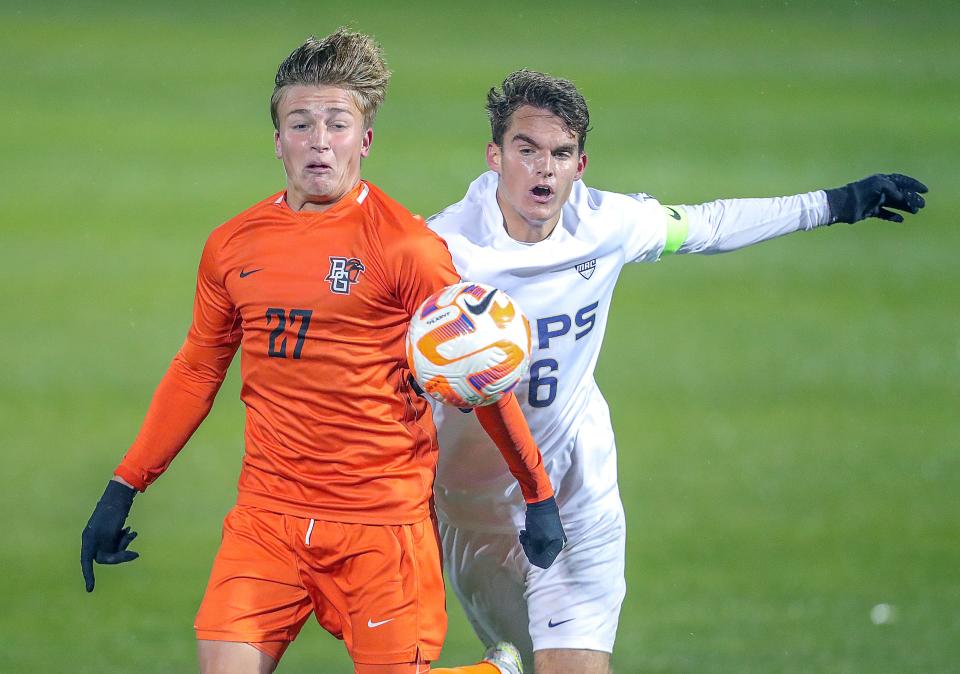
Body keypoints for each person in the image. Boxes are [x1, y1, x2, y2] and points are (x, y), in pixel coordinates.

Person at [79, 33, 565, 674]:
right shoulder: (233, 245)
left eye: (337, 124)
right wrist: (123, 486)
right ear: (277, 138)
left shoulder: (407, 249)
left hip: (381, 527)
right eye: (300, 124)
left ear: (364, 141)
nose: (318, 141)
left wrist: (537, 493)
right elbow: (200, 366)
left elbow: (482, 373)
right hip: (267, 518)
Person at [426, 69, 927, 674]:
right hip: (473, 511)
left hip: (577, 491)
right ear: (494, 156)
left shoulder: (606, 225)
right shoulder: (441, 252)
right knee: (521, 664)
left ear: (580, 164)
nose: (544, 169)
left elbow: (708, 225)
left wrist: (835, 204)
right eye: (526, 150)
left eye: (560, 154)